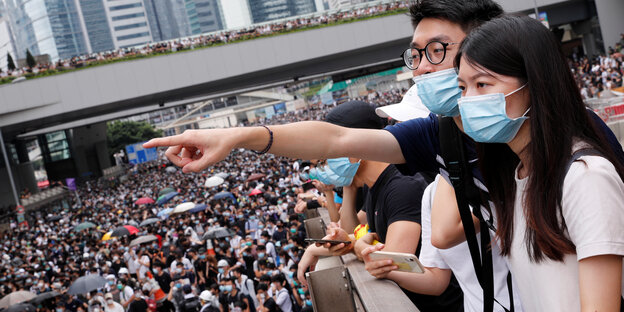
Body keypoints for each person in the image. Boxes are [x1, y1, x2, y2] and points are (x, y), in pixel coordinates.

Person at [446, 15, 624, 311]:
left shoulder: (586, 177)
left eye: (482, 84)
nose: (468, 101)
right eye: (463, 87)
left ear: (533, 83)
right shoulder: (517, 176)